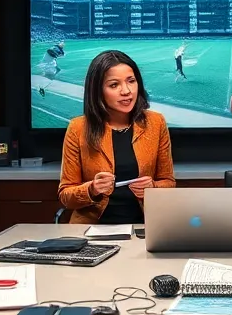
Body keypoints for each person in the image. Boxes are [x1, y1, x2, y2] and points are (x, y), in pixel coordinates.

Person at [59, 50, 176, 225]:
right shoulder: (78, 128)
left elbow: (168, 182)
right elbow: (66, 196)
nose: (126, 91)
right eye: (114, 85)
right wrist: (92, 189)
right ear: (97, 90)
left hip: (145, 228)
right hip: (92, 231)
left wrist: (153, 187)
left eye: (131, 81)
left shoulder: (156, 122)